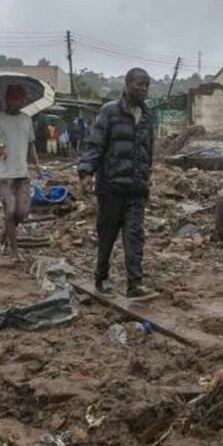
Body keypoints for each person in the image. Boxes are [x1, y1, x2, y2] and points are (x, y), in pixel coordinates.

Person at [78, 68, 156, 299]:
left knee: (134, 236)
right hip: (111, 188)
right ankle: (101, 277)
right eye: (139, 84)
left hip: (136, 189)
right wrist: (86, 172)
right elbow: (95, 144)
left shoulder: (148, 116)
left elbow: (148, 151)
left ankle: (135, 284)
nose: (143, 89)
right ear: (127, 84)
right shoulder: (110, 112)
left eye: (146, 85)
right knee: (107, 235)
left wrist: (146, 177)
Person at [0, 84, 40, 259]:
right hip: (4, 174)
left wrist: (36, 164)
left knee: (22, 212)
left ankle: (5, 233)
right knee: (10, 211)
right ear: (7, 100)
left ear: (23, 101)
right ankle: (14, 250)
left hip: (22, 173)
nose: (16, 103)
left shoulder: (26, 119)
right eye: (13, 99)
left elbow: (31, 144)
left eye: (19, 100)